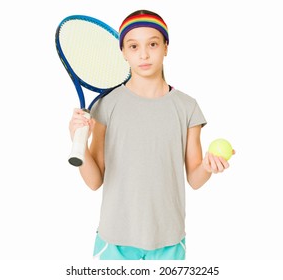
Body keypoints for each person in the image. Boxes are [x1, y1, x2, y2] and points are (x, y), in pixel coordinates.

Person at [69, 10, 234, 260]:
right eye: (133, 46)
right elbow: (94, 181)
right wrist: (76, 140)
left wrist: (209, 165)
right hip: (114, 241)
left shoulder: (187, 107)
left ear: (166, 47)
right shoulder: (106, 105)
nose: (144, 54)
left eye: (153, 44)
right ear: (123, 52)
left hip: (169, 240)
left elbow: (195, 179)